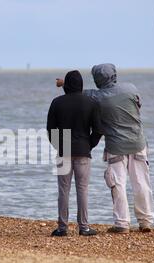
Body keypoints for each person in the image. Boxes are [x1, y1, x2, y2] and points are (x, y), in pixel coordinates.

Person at [58, 64, 154, 233]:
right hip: (139, 143)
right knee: (141, 183)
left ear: (97, 79)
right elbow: (139, 105)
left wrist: (63, 82)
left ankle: (122, 223)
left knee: (118, 184)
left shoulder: (97, 97)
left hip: (116, 146)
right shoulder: (131, 88)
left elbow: (77, 92)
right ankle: (146, 221)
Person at [47, 70, 102, 237]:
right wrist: (89, 145)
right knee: (82, 189)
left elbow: (51, 129)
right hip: (83, 150)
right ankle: (84, 227)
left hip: (64, 150)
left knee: (63, 189)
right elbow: (99, 129)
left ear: (66, 85)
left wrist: (59, 145)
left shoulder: (57, 102)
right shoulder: (91, 102)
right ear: (81, 85)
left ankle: (62, 227)